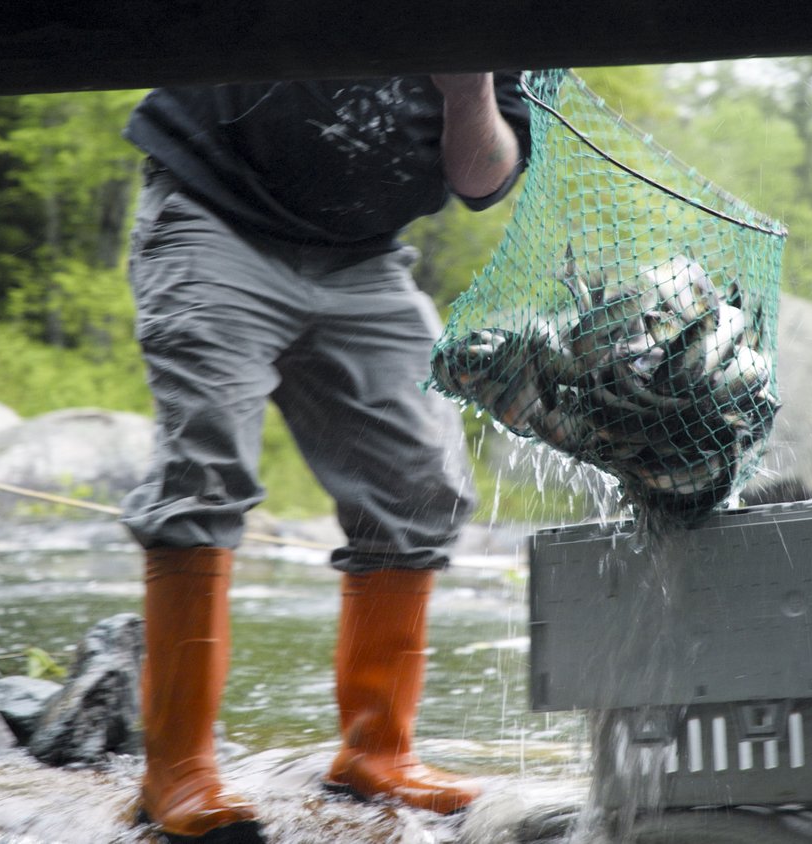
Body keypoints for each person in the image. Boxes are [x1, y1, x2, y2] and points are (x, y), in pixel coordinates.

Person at [119, 73, 531, 842]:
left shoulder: (526, 25)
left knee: (423, 488)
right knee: (203, 474)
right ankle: (176, 771)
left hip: (364, 258)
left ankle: (376, 755)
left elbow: (482, 179)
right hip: (213, 215)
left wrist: (468, 84)